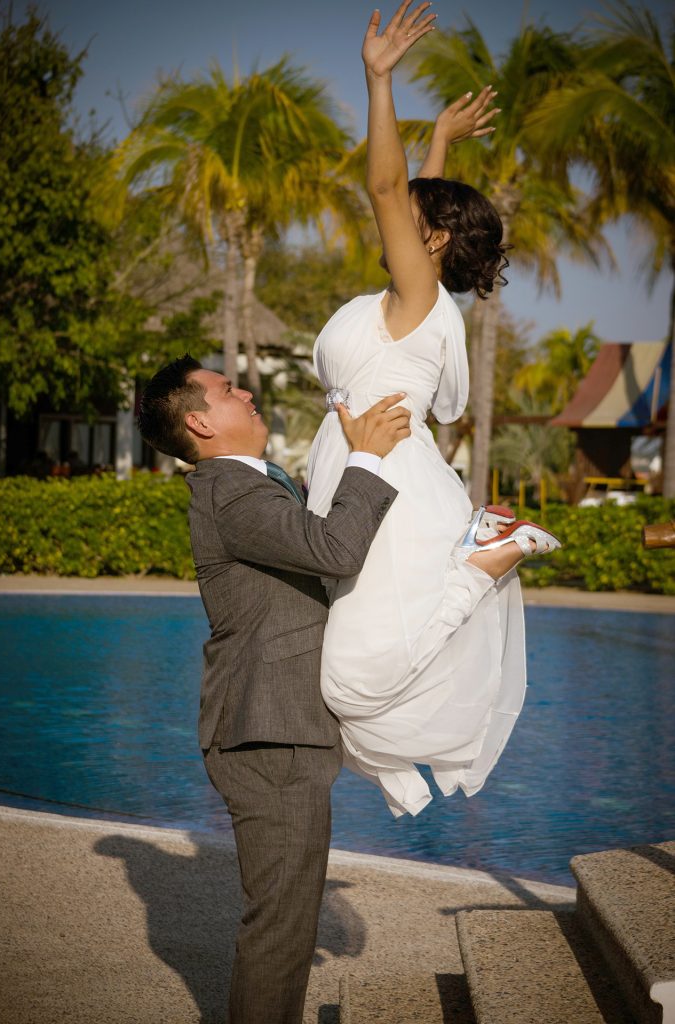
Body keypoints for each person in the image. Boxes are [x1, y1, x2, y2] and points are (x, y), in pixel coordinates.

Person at [306, 1, 561, 818]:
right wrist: (442, 141)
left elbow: (388, 185)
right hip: (368, 473)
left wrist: (379, 79)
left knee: (347, 681)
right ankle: (480, 558)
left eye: (411, 219)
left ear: (433, 243)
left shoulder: (417, 299)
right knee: (336, 676)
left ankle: (483, 562)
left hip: (387, 488)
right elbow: (413, 198)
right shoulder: (405, 303)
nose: (389, 213)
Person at [137, 354, 410, 1024]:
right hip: (268, 729)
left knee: (286, 921)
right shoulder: (231, 491)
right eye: (228, 389)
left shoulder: (246, 483)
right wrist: (367, 457)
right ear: (200, 422)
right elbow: (334, 550)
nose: (247, 392)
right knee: (281, 928)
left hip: (277, 726)